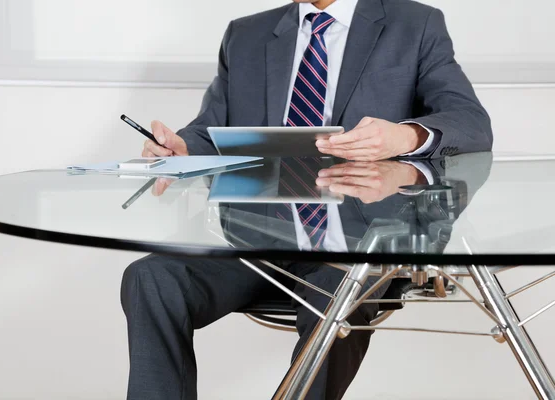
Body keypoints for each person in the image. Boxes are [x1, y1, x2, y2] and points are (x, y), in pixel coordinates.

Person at [121, 0, 493, 399]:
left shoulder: (414, 23)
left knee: (338, 295)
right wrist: (183, 148)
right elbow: (211, 131)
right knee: (151, 277)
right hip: (255, 239)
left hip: (358, 246)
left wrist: (406, 136)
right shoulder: (245, 33)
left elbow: (470, 123)